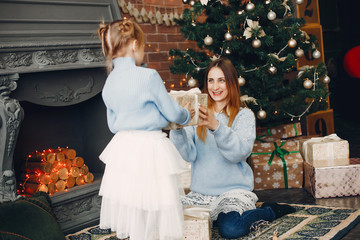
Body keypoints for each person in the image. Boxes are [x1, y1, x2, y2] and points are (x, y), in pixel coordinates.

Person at [170, 58, 296, 239]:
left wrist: (216, 127)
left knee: (231, 229)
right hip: (202, 193)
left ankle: (269, 211)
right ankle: (215, 218)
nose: (215, 86)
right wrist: (178, 128)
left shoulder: (244, 115)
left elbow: (239, 153)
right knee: (169, 217)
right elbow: (189, 154)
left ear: (232, 82)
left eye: (221, 80)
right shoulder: (198, 114)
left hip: (233, 192)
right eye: (211, 80)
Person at [97, 19, 192, 240]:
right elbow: (173, 114)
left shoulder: (109, 82)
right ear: (132, 44)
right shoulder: (148, 76)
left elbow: (112, 125)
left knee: (133, 203)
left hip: (122, 148)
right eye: (142, 46)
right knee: (158, 202)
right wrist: (187, 114)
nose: (143, 51)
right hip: (150, 147)